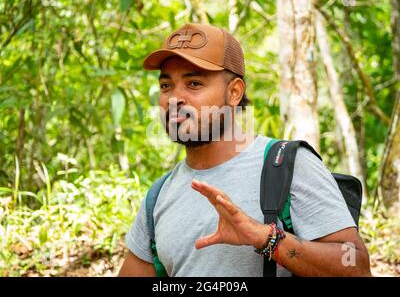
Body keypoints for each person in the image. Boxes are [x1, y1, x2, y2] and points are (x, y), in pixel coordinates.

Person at [118, 23, 371, 277]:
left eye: (194, 83)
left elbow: (357, 268)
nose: (174, 98)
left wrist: (265, 238)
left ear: (234, 92)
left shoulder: (287, 166)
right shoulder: (159, 196)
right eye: (166, 86)